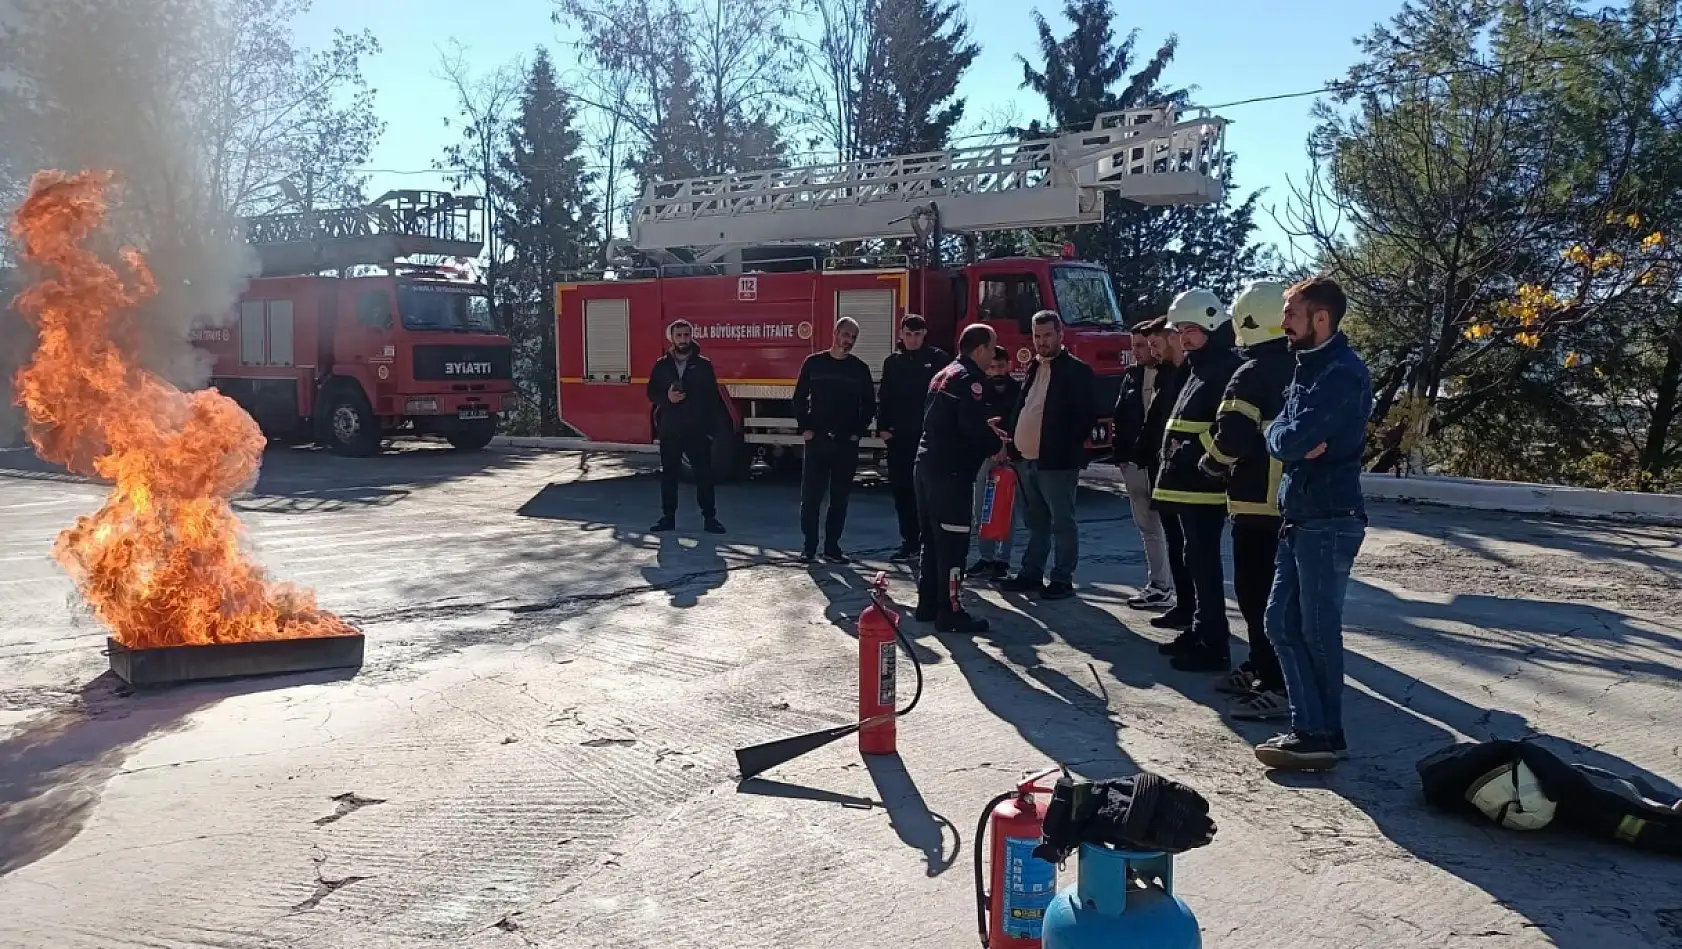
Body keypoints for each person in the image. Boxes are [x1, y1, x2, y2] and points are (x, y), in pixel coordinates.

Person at [1255, 275, 1374, 772]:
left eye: (1291, 312)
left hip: (1328, 520)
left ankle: (1323, 733)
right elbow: (1281, 434)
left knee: (1318, 629)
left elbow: (1290, 438)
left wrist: (1288, 437)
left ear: (1320, 318)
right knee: (1279, 621)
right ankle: (1310, 728)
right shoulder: (1307, 368)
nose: (1282, 321)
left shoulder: (1342, 373)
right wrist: (1285, 435)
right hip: (1299, 517)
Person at [1196, 280, 1294, 721]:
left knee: (1256, 597)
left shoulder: (1250, 373)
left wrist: (1210, 465)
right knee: (1276, 599)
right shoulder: (1301, 366)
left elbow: (1232, 436)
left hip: (1256, 503)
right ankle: (1260, 666)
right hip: (1291, 502)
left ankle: (1272, 683)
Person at [1152, 289, 1242, 673]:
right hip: (1186, 484)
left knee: (1203, 563)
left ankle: (1213, 644)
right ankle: (1200, 630)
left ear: (1210, 324)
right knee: (1193, 559)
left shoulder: (1224, 367)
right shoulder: (1202, 365)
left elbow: (1228, 427)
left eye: (1190, 329)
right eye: (1180, 330)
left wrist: (1197, 456)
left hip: (1203, 485)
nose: (1183, 337)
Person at [914, 323, 1004, 633]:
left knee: (931, 539)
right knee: (953, 544)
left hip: (926, 465)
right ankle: (950, 610)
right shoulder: (970, 380)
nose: (993, 356)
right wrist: (997, 445)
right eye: (992, 349)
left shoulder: (944, 373)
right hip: (950, 474)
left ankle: (927, 604)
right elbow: (971, 428)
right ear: (979, 349)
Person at [1000, 311, 1097, 600]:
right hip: (1025, 460)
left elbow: (1085, 417)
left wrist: (1062, 448)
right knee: (1035, 522)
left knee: (1062, 522)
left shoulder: (1076, 370)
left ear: (1060, 335)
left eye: (1047, 335)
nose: (1042, 342)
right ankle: (1031, 573)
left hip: (1056, 463)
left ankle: (1062, 578)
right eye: (1037, 336)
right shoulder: (1032, 367)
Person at [793, 317, 877, 563]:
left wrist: (856, 433)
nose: (848, 341)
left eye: (853, 338)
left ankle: (832, 548)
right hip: (817, 440)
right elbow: (799, 398)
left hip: (845, 444)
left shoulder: (859, 369)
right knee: (811, 498)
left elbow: (869, 405)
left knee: (839, 498)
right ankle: (809, 548)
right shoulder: (814, 363)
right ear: (835, 333)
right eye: (846, 335)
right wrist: (805, 428)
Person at [877, 315, 950, 561]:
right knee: (902, 491)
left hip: (929, 438)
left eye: (917, 334)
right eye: (908, 334)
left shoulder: (939, 359)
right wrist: (883, 428)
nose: (912, 339)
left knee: (929, 492)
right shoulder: (893, 362)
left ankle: (930, 543)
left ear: (924, 334)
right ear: (901, 334)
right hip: (899, 439)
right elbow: (884, 396)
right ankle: (909, 541)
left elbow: (947, 398)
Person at [1139, 318, 1193, 638]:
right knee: (1176, 544)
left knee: (1188, 548)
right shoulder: (1167, 375)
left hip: (1184, 477)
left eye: (1156, 344)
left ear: (1171, 338)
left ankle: (1193, 611)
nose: (1153, 351)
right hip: (1163, 471)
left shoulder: (1187, 374)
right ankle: (1184, 606)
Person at [1113, 322, 1173, 609]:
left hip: (1166, 463)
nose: (1138, 351)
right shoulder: (1131, 376)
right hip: (1135, 464)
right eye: (1134, 346)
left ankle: (1178, 587)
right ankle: (1158, 584)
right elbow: (1120, 417)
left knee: (1174, 528)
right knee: (1147, 526)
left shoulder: (1173, 375)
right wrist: (1122, 458)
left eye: (1143, 345)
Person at [646, 320, 726, 534]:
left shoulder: (703, 365)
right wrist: (667, 397)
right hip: (670, 429)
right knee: (669, 475)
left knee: (704, 475)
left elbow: (712, 398)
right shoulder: (662, 365)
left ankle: (710, 518)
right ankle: (667, 518)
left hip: (697, 430)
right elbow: (651, 393)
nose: (683, 339)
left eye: (686, 335)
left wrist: (711, 431)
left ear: (692, 336)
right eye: (679, 335)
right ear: (671, 338)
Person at [968, 345, 1023, 580]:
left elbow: (1020, 422)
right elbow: (977, 422)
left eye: (1001, 366)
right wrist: (991, 448)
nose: (997, 371)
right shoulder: (979, 390)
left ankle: (1003, 560)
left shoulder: (1019, 391)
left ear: (1008, 366)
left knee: (1006, 510)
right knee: (983, 508)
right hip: (985, 455)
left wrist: (1006, 449)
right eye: (993, 367)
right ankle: (986, 557)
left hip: (1012, 457)